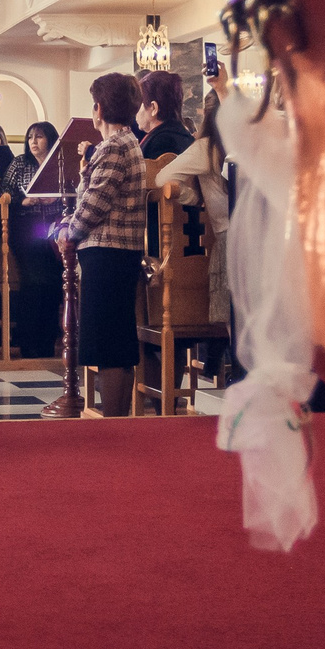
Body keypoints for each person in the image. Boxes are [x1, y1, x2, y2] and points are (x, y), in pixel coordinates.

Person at [46, 73, 148, 418]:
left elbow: (95, 204)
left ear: (99, 109)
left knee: (108, 344)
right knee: (115, 340)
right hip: (117, 252)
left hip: (109, 252)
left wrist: (68, 232)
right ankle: (117, 418)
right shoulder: (125, 143)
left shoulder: (114, 146)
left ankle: (114, 422)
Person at [155, 67, 235, 367]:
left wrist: (194, 197)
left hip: (228, 236)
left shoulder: (206, 147)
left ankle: (241, 374)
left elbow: (163, 177)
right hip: (262, 235)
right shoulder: (248, 144)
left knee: (233, 315)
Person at [6, 120, 64, 360]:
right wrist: (23, 200)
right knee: (33, 282)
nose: (33, 142)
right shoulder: (20, 163)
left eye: (38, 137)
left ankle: (48, 342)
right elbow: (4, 191)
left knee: (53, 283)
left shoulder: (59, 164)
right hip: (26, 228)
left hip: (54, 229)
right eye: (30, 137)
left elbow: (73, 190)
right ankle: (28, 342)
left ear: (50, 139)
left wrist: (56, 199)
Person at [136, 71, 194, 160]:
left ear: (154, 108)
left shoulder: (161, 143)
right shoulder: (184, 135)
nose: (135, 111)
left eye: (139, 104)